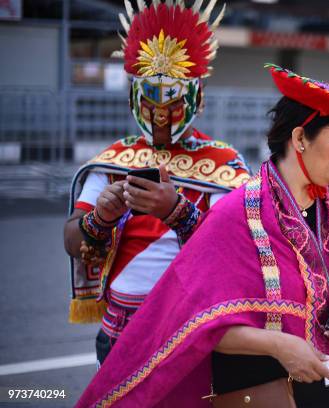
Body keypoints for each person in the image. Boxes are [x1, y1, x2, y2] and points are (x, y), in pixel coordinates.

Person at [75, 63, 329, 408]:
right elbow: (196, 322)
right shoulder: (236, 213)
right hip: (261, 392)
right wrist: (279, 345)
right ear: (300, 138)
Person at [63, 0, 250, 366]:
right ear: (134, 97)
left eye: (172, 100)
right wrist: (100, 216)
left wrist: (178, 212)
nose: (160, 113)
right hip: (118, 334)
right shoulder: (114, 160)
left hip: (187, 330)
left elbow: (236, 249)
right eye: (150, 100)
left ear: (198, 99)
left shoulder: (224, 164)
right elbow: (73, 241)